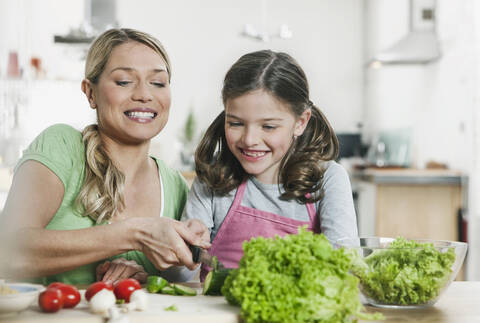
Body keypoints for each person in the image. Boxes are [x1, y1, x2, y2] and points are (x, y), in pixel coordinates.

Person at [0, 28, 210, 286]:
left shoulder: (175, 185)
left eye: (158, 83)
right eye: (124, 81)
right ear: (90, 93)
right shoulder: (62, 147)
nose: (145, 94)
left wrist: (142, 281)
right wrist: (135, 234)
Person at [181, 50, 358, 279]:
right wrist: (189, 247)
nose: (249, 139)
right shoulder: (213, 179)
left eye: (268, 127)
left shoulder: (328, 179)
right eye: (235, 123)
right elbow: (182, 276)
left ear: (300, 122)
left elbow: (345, 267)